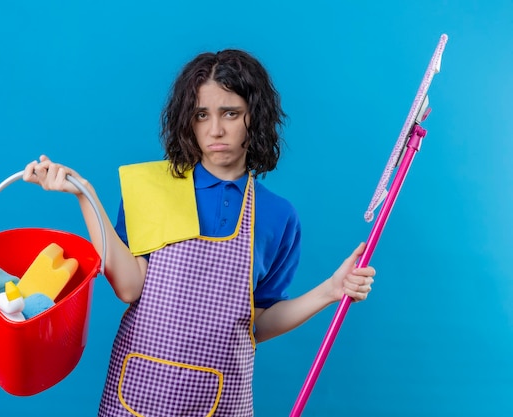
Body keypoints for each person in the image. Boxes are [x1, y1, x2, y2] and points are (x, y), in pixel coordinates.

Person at [23, 49, 375, 417]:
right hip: (140, 391)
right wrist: (86, 196)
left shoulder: (277, 216)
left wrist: (330, 291)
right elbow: (129, 288)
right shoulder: (154, 189)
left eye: (231, 113)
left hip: (222, 399)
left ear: (255, 117)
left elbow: (257, 321)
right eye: (201, 115)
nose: (215, 130)